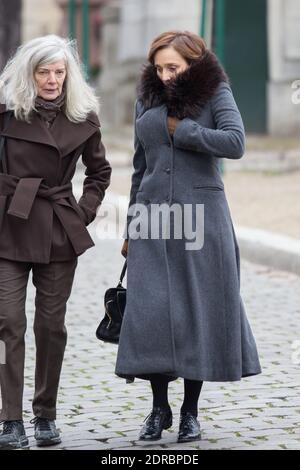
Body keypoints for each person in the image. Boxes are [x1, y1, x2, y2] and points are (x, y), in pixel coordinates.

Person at [116, 30, 261, 443]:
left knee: (196, 312)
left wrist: (182, 131)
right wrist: (130, 226)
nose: (164, 75)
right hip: (152, 218)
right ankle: (158, 406)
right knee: (151, 314)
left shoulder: (216, 93)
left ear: (192, 64)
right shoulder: (146, 96)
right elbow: (139, 165)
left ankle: (189, 412)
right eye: (159, 67)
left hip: (202, 219)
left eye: (173, 68)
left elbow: (235, 143)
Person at [0, 35, 111, 449]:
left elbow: (100, 173)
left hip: (56, 229)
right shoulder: (6, 113)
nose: (52, 80)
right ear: (30, 74)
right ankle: (9, 418)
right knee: (7, 323)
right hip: (8, 225)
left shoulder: (84, 117)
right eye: (44, 71)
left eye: (59, 72)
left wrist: (81, 212)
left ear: (69, 76)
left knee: (51, 326)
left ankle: (45, 414)